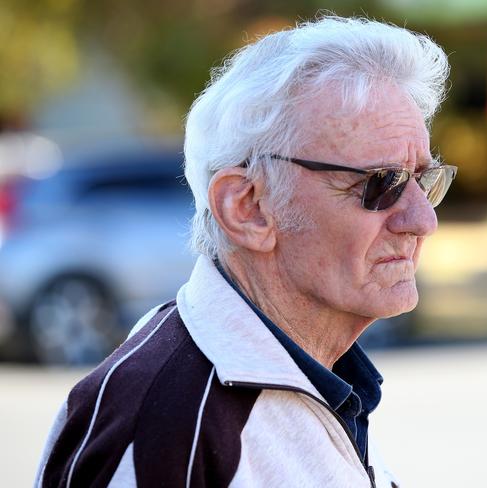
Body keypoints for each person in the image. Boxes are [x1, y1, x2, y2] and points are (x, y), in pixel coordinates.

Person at [35, 15, 455, 488]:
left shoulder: (306, 374)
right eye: (382, 184)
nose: (423, 221)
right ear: (248, 208)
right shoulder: (166, 428)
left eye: (422, 179)